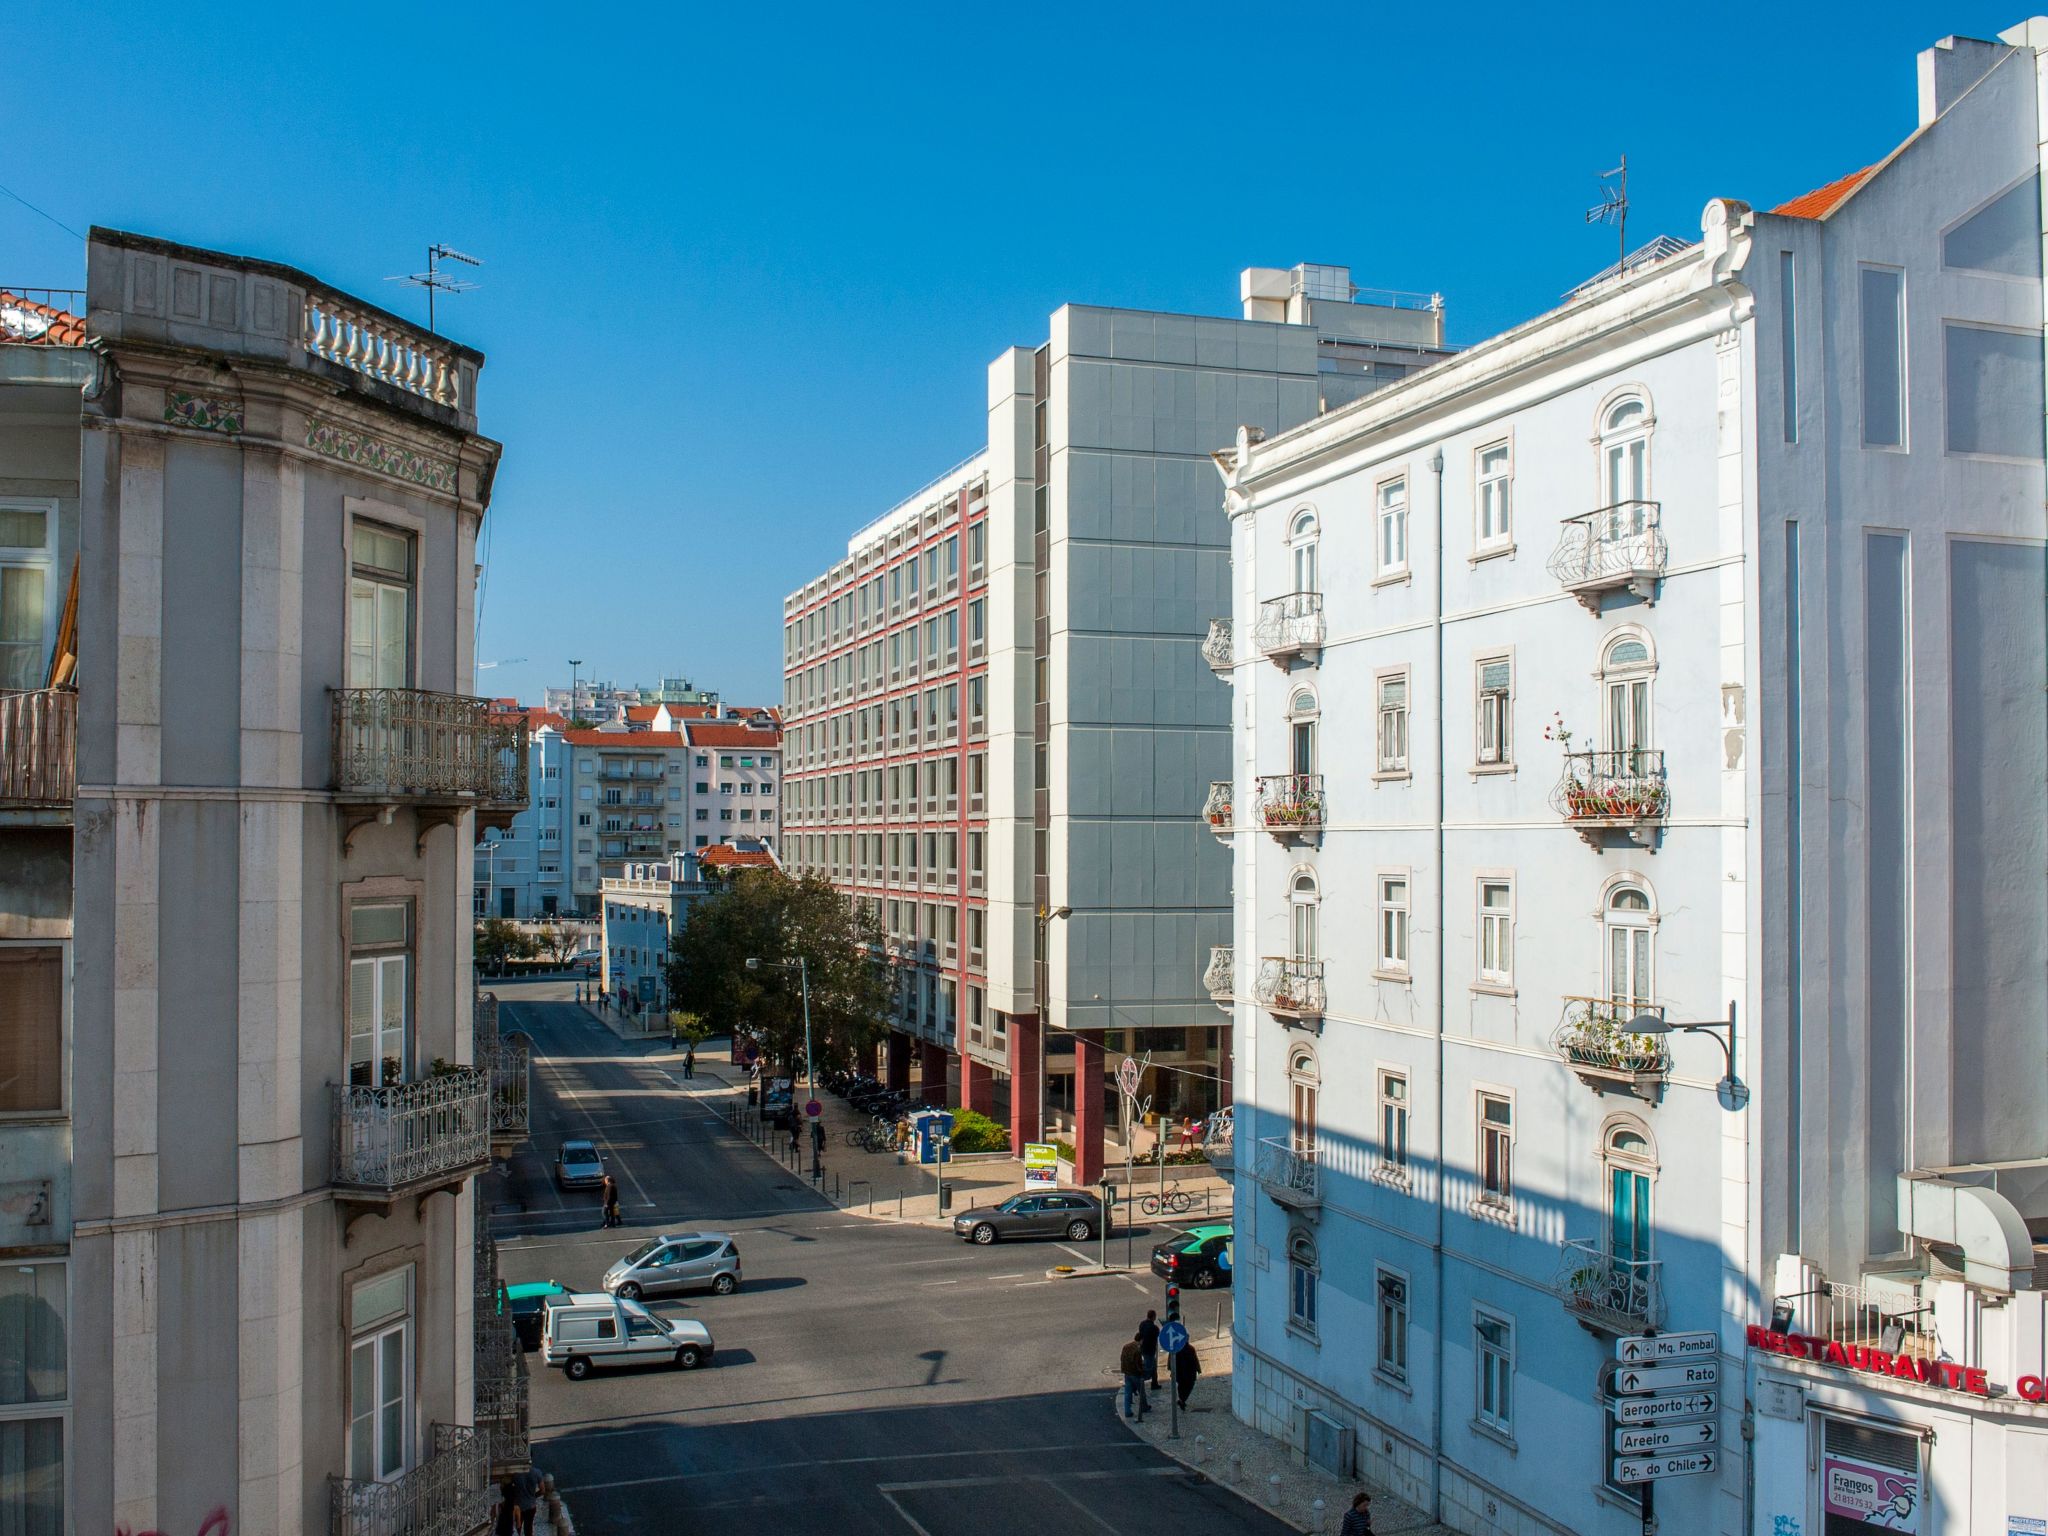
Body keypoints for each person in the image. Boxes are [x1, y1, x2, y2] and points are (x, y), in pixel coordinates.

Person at [1118, 1332, 1149, 1420]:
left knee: (1127, 1392)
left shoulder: (1126, 1346)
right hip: (1135, 1374)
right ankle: (1144, 1407)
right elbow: (1138, 1364)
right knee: (1141, 1391)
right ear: (1141, 1340)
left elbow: (1121, 1358)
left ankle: (1127, 1411)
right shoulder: (1138, 1349)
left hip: (1126, 1372)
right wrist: (1142, 1371)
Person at [510, 1466, 545, 1536]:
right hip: (531, 1505)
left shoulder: (515, 1474)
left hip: (518, 1506)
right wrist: (534, 1496)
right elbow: (542, 1490)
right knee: (529, 1528)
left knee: (518, 1526)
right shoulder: (536, 1472)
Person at [1174, 1338, 1202, 1410]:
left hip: (1181, 1373)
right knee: (1188, 1386)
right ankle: (1182, 1400)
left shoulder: (1177, 1349)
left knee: (1182, 1386)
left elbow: (1171, 1360)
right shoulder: (1190, 1348)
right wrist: (1198, 1369)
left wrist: (1171, 1370)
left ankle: (1181, 1400)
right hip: (1189, 1373)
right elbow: (1195, 1360)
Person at [1136, 1309, 1161, 1387]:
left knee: (1153, 1366)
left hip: (1143, 1348)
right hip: (1150, 1350)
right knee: (1149, 1368)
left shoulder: (1142, 1324)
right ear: (1154, 1317)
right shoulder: (1154, 1328)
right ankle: (1139, 1382)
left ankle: (1154, 1383)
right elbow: (1157, 1334)